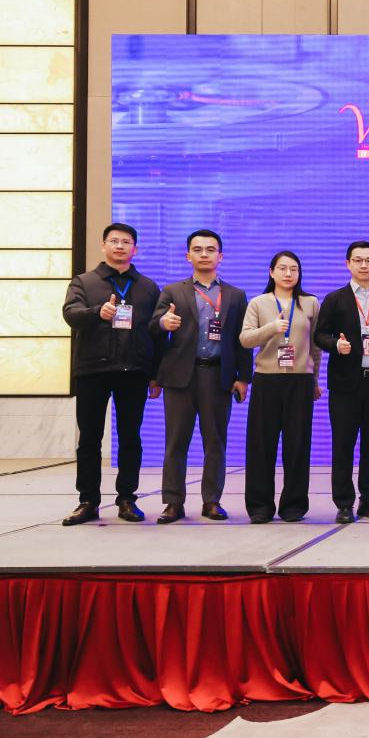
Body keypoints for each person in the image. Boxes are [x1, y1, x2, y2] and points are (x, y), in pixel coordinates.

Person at [60, 222, 162, 525]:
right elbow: (70, 314)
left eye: (126, 242)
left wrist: (155, 374)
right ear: (103, 245)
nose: (120, 246)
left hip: (134, 371)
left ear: (135, 249)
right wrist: (97, 313)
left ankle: (127, 499)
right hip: (93, 370)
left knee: (131, 437)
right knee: (89, 439)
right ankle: (88, 501)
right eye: (114, 241)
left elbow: (156, 332)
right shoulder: (84, 282)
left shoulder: (148, 287)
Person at [151, 229, 251, 523]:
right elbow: (152, 329)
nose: (204, 254)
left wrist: (244, 377)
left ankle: (212, 501)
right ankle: (173, 502)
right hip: (180, 376)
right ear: (188, 256)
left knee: (215, 442)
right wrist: (163, 323)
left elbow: (242, 340)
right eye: (198, 249)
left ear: (221, 256)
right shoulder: (172, 291)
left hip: (218, 376)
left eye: (210, 249)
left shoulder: (235, 295)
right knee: (175, 442)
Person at [315, 240, 369, 524]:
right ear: (348, 264)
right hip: (345, 385)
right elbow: (319, 335)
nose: (363, 265)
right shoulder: (335, 298)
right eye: (358, 260)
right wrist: (336, 345)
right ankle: (344, 503)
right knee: (343, 444)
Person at [239, 251, 321, 523]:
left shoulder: (310, 303)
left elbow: (315, 347)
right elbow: (245, 339)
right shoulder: (258, 303)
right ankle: (260, 506)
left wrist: (315, 379)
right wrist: (271, 328)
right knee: (261, 445)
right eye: (282, 268)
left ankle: (294, 505)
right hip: (267, 379)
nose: (288, 274)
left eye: (294, 269)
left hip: (300, 381)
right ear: (271, 272)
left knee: (297, 445)